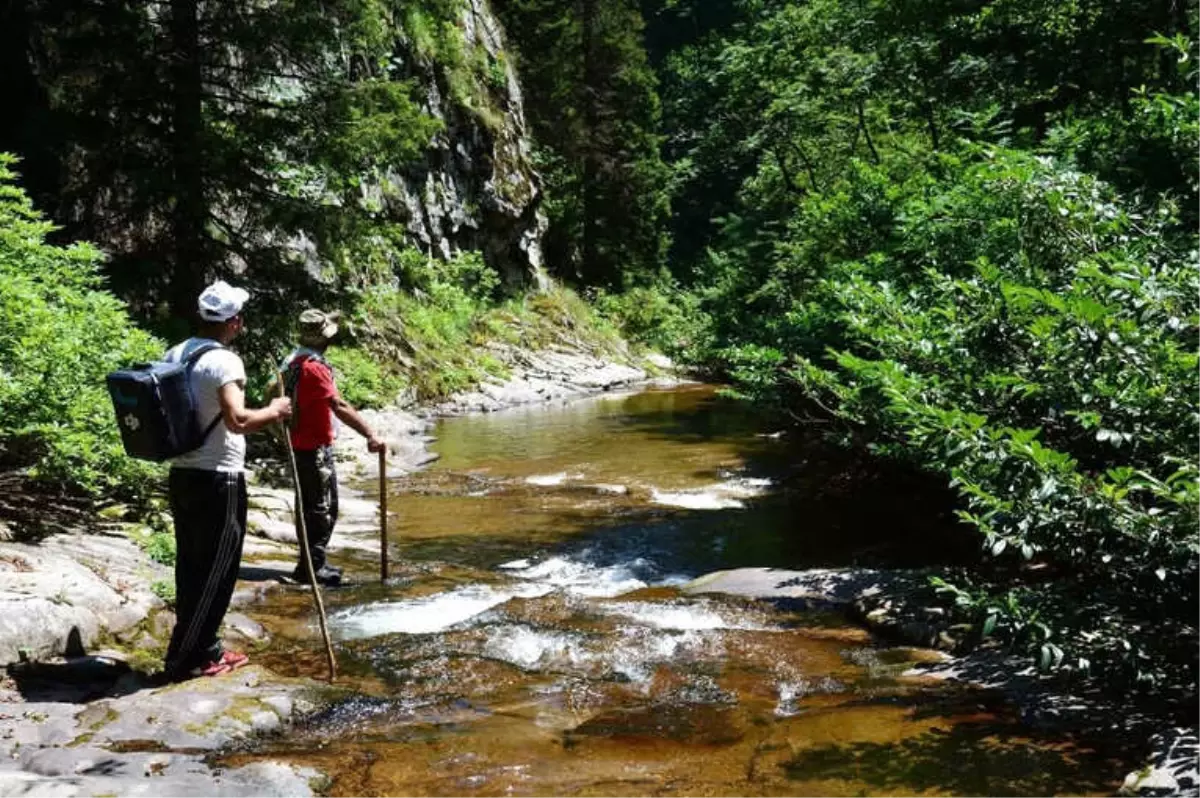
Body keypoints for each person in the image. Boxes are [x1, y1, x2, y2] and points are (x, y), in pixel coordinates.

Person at [162, 280, 292, 680]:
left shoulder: (176, 352)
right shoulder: (225, 361)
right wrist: (275, 410)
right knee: (218, 570)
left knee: (191, 566)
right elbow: (237, 420)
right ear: (233, 322)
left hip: (183, 473)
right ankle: (187, 658)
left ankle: (205, 646)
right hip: (219, 477)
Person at [282, 308, 385, 586]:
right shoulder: (313, 367)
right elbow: (337, 405)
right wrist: (370, 434)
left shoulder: (291, 360)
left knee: (313, 506)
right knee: (321, 508)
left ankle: (312, 562)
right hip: (313, 446)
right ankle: (312, 568)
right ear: (323, 339)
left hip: (297, 444)